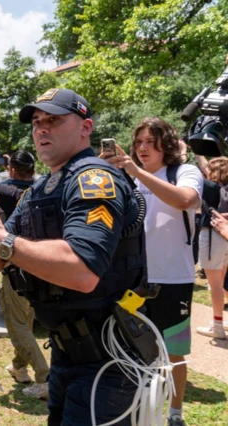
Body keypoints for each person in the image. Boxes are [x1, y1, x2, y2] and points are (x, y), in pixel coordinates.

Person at [0, 88, 146, 426]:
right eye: (36, 122)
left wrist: (1, 241)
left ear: (85, 127)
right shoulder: (40, 190)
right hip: (65, 353)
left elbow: (82, 270)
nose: (41, 129)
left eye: (54, 120)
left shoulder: (95, 179)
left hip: (108, 360)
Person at [105, 117, 203, 426]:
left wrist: (136, 173)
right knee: (130, 347)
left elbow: (187, 199)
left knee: (173, 352)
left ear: (168, 144)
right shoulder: (129, 178)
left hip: (174, 279)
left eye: (150, 141)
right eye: (138, 143)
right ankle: (137, 409)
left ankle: (174, 413)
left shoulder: (183, 172)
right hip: (135, 282)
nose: (142, 148)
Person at [0, 151, 50, 397]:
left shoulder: (5, 191)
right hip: (42, 263)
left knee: (17, 326)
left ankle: (46, 378)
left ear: (12, 169)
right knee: (25, 320)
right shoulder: (43, 187)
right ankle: (18, 367)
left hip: (15, 265)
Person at [193, 155, 228, 339]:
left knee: (214, 285)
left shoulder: (211, 188)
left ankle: (217, 326)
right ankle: (224, 320)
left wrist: (196, 152)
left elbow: (203, 168)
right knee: (222, 281)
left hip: (213, 234)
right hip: (226, 235)